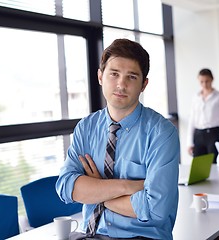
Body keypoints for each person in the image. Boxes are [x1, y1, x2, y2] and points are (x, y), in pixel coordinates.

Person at [55, 39, 180, 240]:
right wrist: (126, 187)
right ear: (100, 76)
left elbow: (156, 209)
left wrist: (97, 191)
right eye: (114, 74)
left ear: (143, 84)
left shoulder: (161, 133)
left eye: (131, 76)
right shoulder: (86, 128)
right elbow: (66, 188)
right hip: (91, 234)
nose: (121, 84)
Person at [187, 68, 219, 163]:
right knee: (198, 165)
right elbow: (192, 119)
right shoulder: (196, 97)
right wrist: (189, 142)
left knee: (214, 163)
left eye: (207, 81)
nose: (204, 84)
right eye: (201, 82)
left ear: (212, 79)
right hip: (198, 134)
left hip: (213, 134)